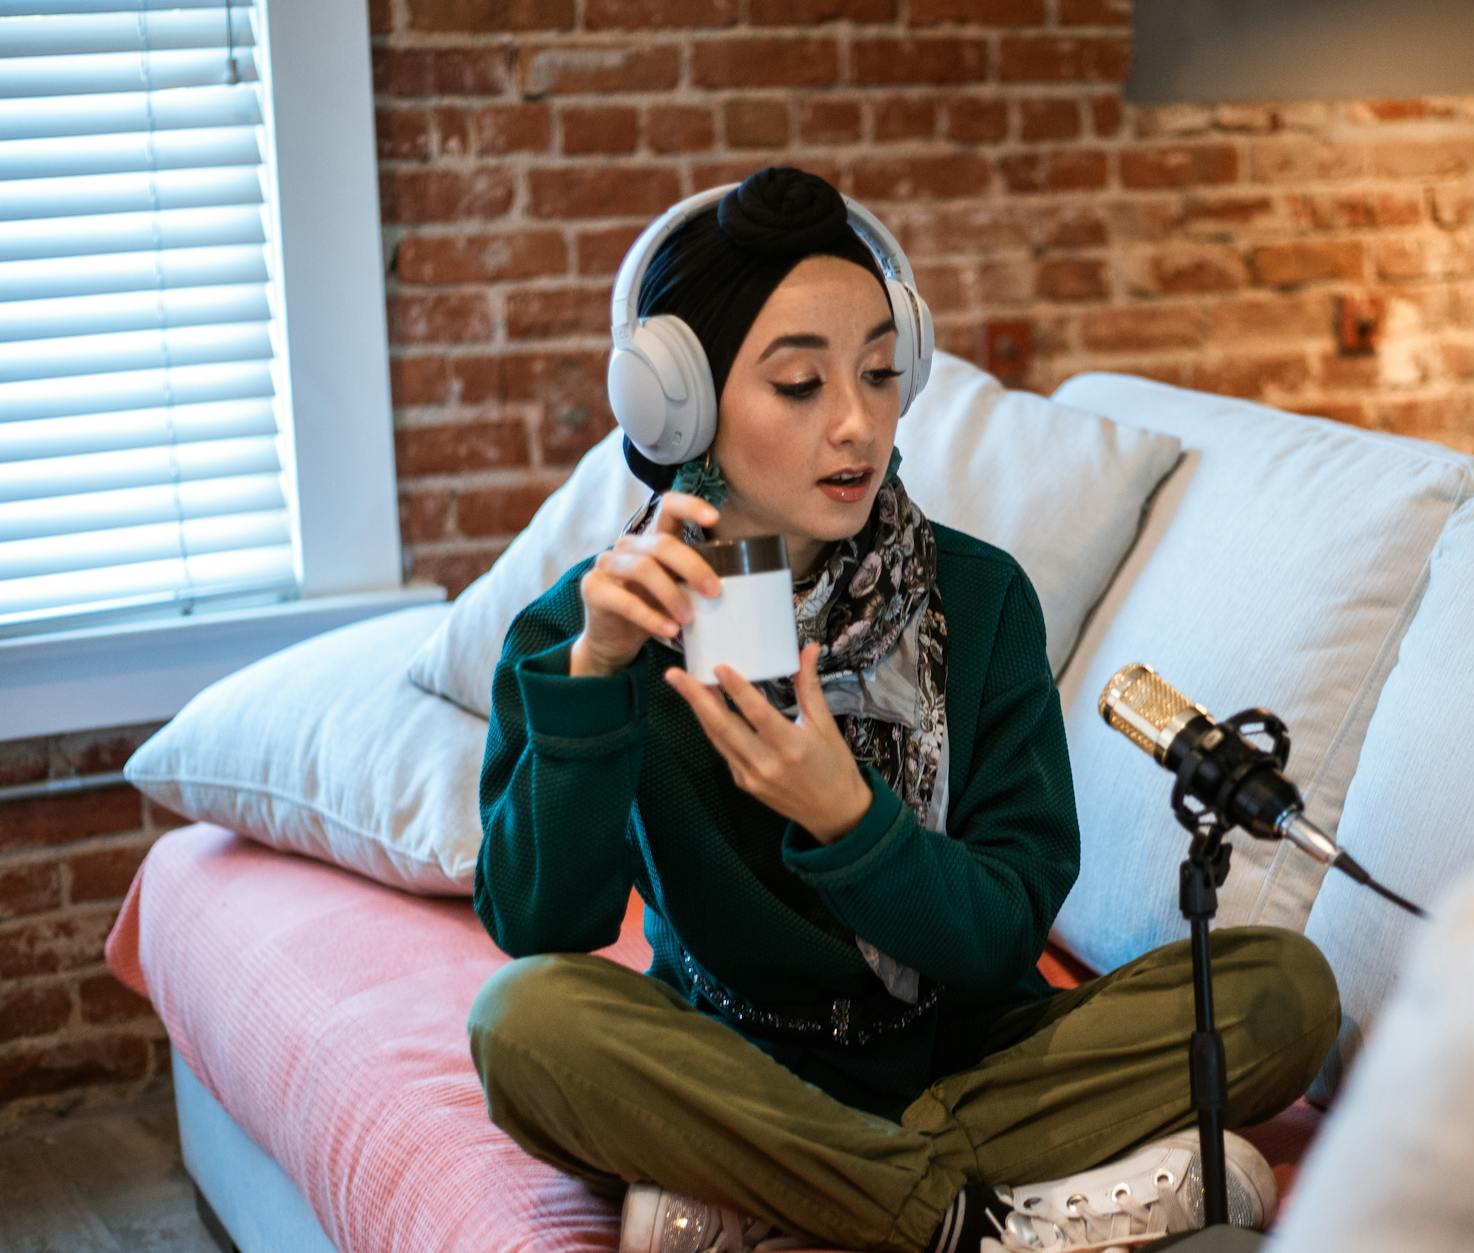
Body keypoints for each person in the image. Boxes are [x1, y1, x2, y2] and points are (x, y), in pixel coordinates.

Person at [466, 167, 1340, 1253]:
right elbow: (540, 926)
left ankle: (781, 1190)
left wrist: (852, 823)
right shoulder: (590, 631)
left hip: (971, 1047)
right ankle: (968, 1217)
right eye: (798, 384)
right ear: (676, 405)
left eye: (881, 373)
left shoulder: (978, 598)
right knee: (522, 1024)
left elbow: (1007, 922)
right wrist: (595, 676)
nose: (856, 422)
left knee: (1280, 992)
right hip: (733, 1059)